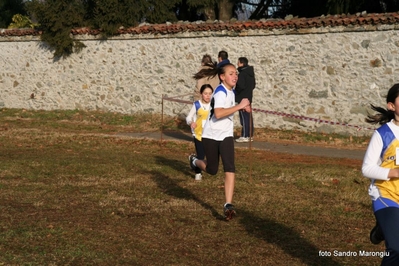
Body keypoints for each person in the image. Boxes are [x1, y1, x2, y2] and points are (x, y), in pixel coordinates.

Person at [190, 63, 251, 221]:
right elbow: (218, 113)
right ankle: (195, 161)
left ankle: (228, 204)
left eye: (236, 73)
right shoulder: (220, 92)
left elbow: (228, 108)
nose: (235, 76)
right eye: (231, 73)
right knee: (212, 170)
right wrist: (239, 106)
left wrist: (243, 107)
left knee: (230, 167)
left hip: (226, 135)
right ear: (222, 77)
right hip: (210, 136)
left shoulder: (231, 91)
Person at [362, 83, 399, 265]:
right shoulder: (383, 134)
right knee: (397, 248)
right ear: (391, 106)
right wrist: (394, 172)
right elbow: (367, 168)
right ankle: (386, 227)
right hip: (386, 194)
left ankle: (383, 230)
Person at [186, 84, 214, 181]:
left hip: (210, 134)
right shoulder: (197, 104)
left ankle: (193, 160)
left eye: (210, 93)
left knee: (209, 155)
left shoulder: (213, 105)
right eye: (206, 93)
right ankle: (198, 173)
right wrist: (191, 123)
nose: (208, 96)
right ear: (201, 94)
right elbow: (189, 117)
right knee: (201, 155)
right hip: (198, 134)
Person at [235, 57, 256, 143]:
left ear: (242, 63)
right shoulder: (251, 74)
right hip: (249, 97)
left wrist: (237, 91)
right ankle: (250, 135)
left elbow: (240, 86)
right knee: (248, 117)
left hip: (242, 98)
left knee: (244, 117)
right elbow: (253, 85)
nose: (237, 64)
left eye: (238, 62)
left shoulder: (242, 74)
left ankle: (245, 135)